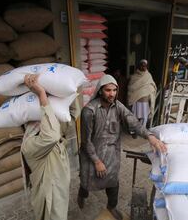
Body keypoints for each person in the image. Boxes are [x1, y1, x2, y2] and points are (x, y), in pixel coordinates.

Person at [77, 74, 167, 220]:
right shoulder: (89, 111)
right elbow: (86, 142)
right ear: (100, 91)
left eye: (114, 90)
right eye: (108, 90)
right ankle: (82, 195)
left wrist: (149, 136)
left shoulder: (118, 106)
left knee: (113, 182)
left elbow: (133, 122)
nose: (111, 94)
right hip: (91, 154)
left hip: (111, 153)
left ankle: (112, 206)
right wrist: (97, 161)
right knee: (86, 181)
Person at [21, 74, 78, 220]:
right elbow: (51, 135)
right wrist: (41, 94)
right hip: (49, 197)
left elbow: (71, 115)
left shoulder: (55, 129)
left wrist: (68, 88)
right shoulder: (30, 145)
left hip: (60, 188)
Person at [127, 59, 157, 128]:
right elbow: (131, 88)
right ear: (139, 66)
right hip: (136, 100)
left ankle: (141, 129)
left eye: (145, 66)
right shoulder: (134, 76)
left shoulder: (148, 76)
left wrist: (149, 90)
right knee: (134, 116)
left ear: (146, 67)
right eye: (142, 65)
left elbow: (152, 86)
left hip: (145, 101)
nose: (143, 67)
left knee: (144, 117)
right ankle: (134, 129)